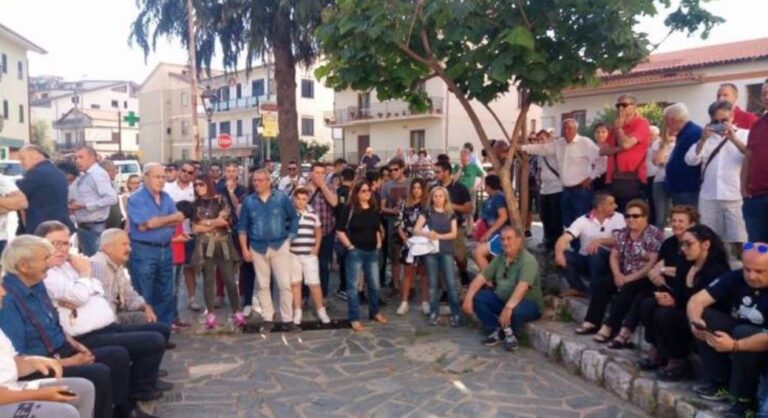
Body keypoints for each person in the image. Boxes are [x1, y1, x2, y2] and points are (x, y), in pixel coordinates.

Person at [0, 235, 151, 418]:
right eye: (45, 259)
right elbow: (18, 359)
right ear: (24, 266)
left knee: (116, 355)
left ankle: (122, 411)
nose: (50, 263)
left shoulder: (36, 283)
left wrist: (75, 344)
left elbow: (53, 323)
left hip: (60, 351)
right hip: (39, 367)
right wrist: (69, 362)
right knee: (98, 373)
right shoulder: (7, 300)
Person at [637, 224, 729, 382]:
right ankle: (659, 350)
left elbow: (706, 303)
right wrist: (668, 297)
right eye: (682, 244)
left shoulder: (716, 271)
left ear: (706, 244)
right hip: (682, 308)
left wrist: (675, 302)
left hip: (703, 317)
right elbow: (679, 294)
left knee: (666, 314)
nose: (683, 248)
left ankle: (678, 361)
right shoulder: (685, 264)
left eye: (689, 244)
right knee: (648, 304)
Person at [687, 242, 768, 416]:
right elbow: (697, 300)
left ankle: (745, 403)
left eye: (760, 271)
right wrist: (695, 321)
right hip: (740, 334)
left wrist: (735, 345)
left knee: (743, 332)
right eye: (747, 269)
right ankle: (720, 382)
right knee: (706, 318)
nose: (751, 276)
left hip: (761, 342)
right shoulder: (736, 277)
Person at [0, 272, 95, 418]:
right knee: (64, 412)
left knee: (84, 388)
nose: (3, 292)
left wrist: (36, 361)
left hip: (13, 388)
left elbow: (10, 364)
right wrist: (40, 394)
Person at [586, 199, 661, 341]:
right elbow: (614, 256)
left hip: (643, 277)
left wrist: (629, 278)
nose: (631, 219)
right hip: (623, 272)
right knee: (603, 283)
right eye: (628, 216)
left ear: (645, 217)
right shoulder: (623, 233)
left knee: (629, 288)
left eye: (635, 216)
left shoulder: (653, 234)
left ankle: (609, 326)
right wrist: (617, 274)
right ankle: (592, 321)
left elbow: (652, 263)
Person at [463, 225, 543, 351]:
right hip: (504, 299)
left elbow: (523, 287)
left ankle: (511, 334)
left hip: (527, 303)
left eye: (509, 239)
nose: (505, 243)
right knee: (478, 297)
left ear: (518, 240)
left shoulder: (528, 260)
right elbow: (481, 278)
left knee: (515, 311)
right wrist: (468, 297)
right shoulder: (500, 258)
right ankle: (495, 330)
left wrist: (508, 307)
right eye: (503, 239)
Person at [685, 100, 749, 256]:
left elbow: (751, 155)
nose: (720, 124)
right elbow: (690, 160)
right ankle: (717, 268)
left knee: (740, 240)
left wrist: (734, 139)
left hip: (735, 195)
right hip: (709, 196)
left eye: (724, 120)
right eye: (716, 121)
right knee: (711, 240)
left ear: (732, 116)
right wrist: (702, 141)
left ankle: (745, 268)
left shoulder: (744, 134)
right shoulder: (706, 138)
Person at [238, 169, 298, 330]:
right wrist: (244, 249)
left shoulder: (281, 198)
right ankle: (267, 317)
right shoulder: (248, 202)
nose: (257, 183)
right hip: (257, 247)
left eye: (260, 180)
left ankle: (287, 319)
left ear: (268, 181)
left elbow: (293, 217)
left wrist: (290, 238)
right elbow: (242, 227)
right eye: (254, 180)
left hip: (280, 245)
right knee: (262, 285)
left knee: (285, 284)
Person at [127, 163, 185, 326]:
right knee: (144, 291)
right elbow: (149, 223)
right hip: (144, 250)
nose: (161, 181)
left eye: (163, 177)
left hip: (165, 249)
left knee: (166, 292)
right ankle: (147, 329)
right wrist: (167, 220)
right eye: (157, 177)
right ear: (145, 177)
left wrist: (155, 223)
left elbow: (177, 221)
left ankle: (163, 328)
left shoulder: (166, 197)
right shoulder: (136, 198)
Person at [520, 118, 602, 228]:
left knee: (582, 222)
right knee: (568, 222)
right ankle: (572, 240)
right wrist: (522, 147)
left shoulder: (585, 143)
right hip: (566, 191)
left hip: (581, 191)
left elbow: (601, 160)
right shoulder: (559, 144)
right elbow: (542, 149)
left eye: (570, 128)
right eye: (565, 128)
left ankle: (582, 240)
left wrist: (591, 177)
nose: (567, 131)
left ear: (576, 129)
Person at [191, 175, 244, 329]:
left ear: (208, 184)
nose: (198, 187)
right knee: (208, 281)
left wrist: (205, 223)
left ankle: (237, 312)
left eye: (201, 184)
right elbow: (195, 228)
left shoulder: (220, 199)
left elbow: (224, 221)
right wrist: (214, 223)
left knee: (229, 279)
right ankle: (211, 315)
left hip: (223, 244)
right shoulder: (195, 204)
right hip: (204, 246)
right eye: (196, 185)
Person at [336, 181, 388, 332]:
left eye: (368, 190)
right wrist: (350, 246)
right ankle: (354, 318)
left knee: (375, 285)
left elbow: (377, 227)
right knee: (353, 287)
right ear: (357, 193)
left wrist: (378, 242)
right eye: (363, 191)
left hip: (372, 252)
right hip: (356, 252)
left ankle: (375, 312)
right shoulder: (350, 209)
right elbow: (340, 230)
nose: (367, 193)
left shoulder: (373, 208)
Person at [556, 192, 625, 300]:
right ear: (600, 207)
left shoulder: (618, 217)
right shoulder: (583, 220)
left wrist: (600, 241)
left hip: (608, 261)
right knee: (563, 255)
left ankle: (595, 291)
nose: (616, 206)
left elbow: (620, 240)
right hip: (586, 260)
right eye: (611, 203)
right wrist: (559, 254)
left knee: (596, 252)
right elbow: (564, 238)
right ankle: (577, 288)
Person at [90, 229, 162, 326]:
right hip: (104, 324)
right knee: (156, 332)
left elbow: (129, 295)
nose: (129, 249)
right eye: (124, 244)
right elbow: (102, 305)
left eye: (129, 245)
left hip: (115, 317)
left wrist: (145, 307)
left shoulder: (116, 265)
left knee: (150, 321)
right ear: (108, 248)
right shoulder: (98, 265)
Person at [414, 186, 461, 327]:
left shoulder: (450, 214)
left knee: (450, 283)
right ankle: (434, 312)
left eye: (440, 196)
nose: (438, 199)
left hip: (446, 250)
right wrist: (427, 234)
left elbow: (454, 233)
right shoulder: (427, 212)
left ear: (445, 198)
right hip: (431, 251)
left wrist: (439, 236)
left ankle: (456, 313)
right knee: (432, 283)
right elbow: (416, 229)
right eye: (435, 196)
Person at [8, 145, 75, 234]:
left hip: (42, 230)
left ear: (35, 156)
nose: (21, 163)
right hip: (59, 227)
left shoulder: (36, 173)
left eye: (23, 158)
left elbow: (14, 196)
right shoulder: (59, 173)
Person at [602, 94, 652, 211]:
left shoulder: (641, 123)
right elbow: (603, 150)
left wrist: (619, 130)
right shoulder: (616, 126)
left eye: (624, 105)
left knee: (633, 214)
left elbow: (626, 144)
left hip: (634, 179)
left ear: (634, 106)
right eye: (618, 105)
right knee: (615, 216)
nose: (620, 108)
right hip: (614, 178)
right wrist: (621, 147)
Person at [289, 188, 331, 325]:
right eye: (298, 199)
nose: (301, 202)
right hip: (293, 254)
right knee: (295, 283)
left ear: (307, 200)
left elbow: (318, 232)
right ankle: (297, 311)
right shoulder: (289, 214)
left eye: (304, 199)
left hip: (309, 255)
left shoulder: (313, 215)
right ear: (294, 199)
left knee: (314, 284)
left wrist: (316, 248)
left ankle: (321, 310)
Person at [69, 147, 118, 256]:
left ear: (91, 158)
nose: (77, 161)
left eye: (81, 157)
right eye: (75, 158)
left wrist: (85, 206)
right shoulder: (84, 175)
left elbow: (112, 198)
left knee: (95, 262)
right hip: (85, 227)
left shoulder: (97, 174)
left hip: (93, 228)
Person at [164, 162, 199, 311]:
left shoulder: (196, 189)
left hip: (190, 234)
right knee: (172, 271)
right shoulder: (167, 188)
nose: (186, 174)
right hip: (172, 234)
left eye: (190, 172)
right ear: (179, 171)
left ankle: (192, 299)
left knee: (190, 268)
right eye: (184, 170)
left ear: (194, 175)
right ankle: (170, 304)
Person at [433, 161, 472, 285]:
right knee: (440, 258)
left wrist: (451, 206)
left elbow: (468, 208)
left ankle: (463, 273)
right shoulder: (433, 188)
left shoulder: (460, 188)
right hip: (437, 228)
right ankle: (444, 287)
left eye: (438, 172)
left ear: (447, 172)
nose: (435, 174)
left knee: (460, 256)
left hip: (456, 227)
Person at [394, 178, 429, 316]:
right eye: (414, 188)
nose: (416, 190)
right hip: (409, 241)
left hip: (424, 243)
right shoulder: (405, 204)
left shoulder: (427, 205)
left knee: (424, 273)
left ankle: (425, 302)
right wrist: (404, 239)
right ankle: (404, 302)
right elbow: (399, 223)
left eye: (419, 188)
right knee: (408, 272)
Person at [304, 163, 338, 298]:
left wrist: (323, 186)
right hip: (307, 234)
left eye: (322, 173)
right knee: (306, 265)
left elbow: (334, 202)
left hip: (326, 233)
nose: (319, 175)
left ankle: (323, 296)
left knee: (324, 266)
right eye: (317, 172)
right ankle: (305, 296)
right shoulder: (304, 188)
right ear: (311, 173)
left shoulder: (330, 187)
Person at [742, 79, 768, 243]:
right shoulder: (757, 125)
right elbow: (748, 157)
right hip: (756, 198)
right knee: (757, 248)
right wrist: (743, 188)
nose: (766, 97)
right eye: (764, 94)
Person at [380, 158, 409, 292]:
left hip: (409, 224)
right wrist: (393, 210)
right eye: (390, 170)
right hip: (393, 225)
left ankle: (409, 286)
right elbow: (382, 207)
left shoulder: (410, 183)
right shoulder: (386, 186)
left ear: (402, 169)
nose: (393, 172)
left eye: (395, 169)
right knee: (395, 257)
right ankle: (396, 286)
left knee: (410, 257)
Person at [535, 130, 564, 250]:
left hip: (556, 189)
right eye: (538, 140)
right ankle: (547, 240)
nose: (540, 142)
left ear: (548, 139)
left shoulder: (555, 150)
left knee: (555, 218)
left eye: (542, 139)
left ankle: (556, 243)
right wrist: (538, 178)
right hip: (544, 189)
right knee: (545, 216)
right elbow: (539, 168)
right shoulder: (540, 154)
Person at [472, 175, 508, 271]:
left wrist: (489, 232)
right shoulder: (489, 199)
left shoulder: (499, 198)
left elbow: (503, 217)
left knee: (479, 253)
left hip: (498, 234)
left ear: (488, 186)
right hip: (489, 234)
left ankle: (487, 278)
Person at [334, 168, 355, 300]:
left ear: (342, 178)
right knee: (349, 260)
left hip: (339, 228)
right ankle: (346, 287)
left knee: (343, 260)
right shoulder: (353, 194)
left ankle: (343, 287)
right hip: (351, 230)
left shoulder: (338, 192)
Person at [453, 148, 484, 227]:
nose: (463, 158)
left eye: (465, 156)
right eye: (461, 156)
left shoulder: (473, 167)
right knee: (458, 211)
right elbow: (454, 179)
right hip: (459, 192)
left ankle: (469, 231)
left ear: (469, 157)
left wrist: (478, 186)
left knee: (470, 212)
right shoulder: (457, 166)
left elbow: (482, 174)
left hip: (470, 191)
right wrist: (460, 169)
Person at [98, 159, 123, 230]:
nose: (116, 173)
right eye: (113, 170)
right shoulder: (99, 186)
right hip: (105, 224)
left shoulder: (113, 184)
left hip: (115, 224)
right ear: (105, 171)